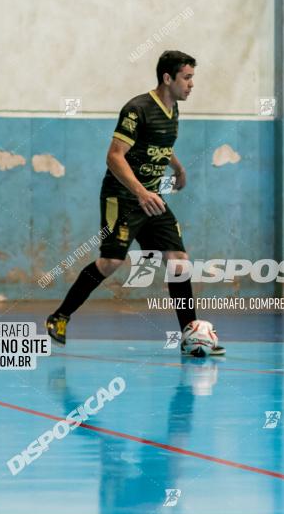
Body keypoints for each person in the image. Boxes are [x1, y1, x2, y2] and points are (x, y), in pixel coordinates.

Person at [45, 50, 224, 356]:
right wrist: (141, 192)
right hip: (124, 197)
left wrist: (177, 167)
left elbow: (160, 146)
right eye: (187, 78)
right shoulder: (137, 109)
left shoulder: (173, 110)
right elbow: (114, 156)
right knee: (111, 262)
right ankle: (60, 316)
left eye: (193, 77)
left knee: (178, 261)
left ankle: (191, 334)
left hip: (152, 198)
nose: (192, 84)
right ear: (167, 79)